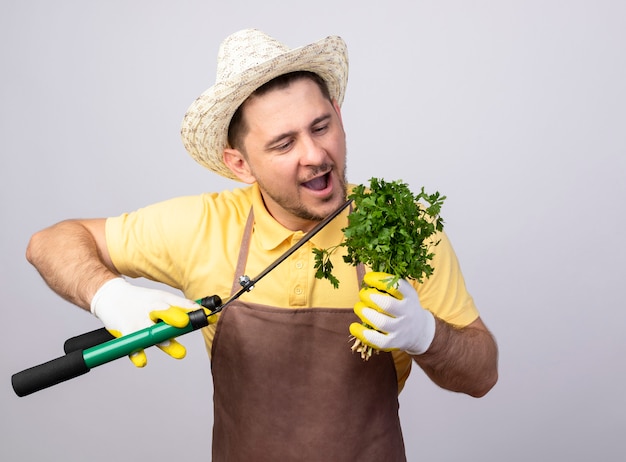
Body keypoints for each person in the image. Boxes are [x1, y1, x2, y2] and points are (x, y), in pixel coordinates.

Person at [26, 29, 498, 461]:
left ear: (339, 116)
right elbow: (51, 243)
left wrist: (427, 334)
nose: (315, 156)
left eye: (320, 127)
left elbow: (481, 375)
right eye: (283, 144)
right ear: (240, 163)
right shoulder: (205, 226)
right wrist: (109, 294)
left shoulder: (401, 227)